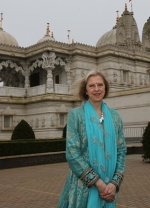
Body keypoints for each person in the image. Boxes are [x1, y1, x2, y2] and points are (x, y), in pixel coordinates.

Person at [57, 70, 127, 208]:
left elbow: (121, 150)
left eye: (100, 85)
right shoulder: (76, 115)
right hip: (82, 186)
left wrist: (114, 183)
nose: (96, 89)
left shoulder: (115, 117)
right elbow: (72, 153)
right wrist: (98, 183)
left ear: (105, 88)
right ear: (86, 90)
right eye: (92, 86)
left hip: (109, 187)